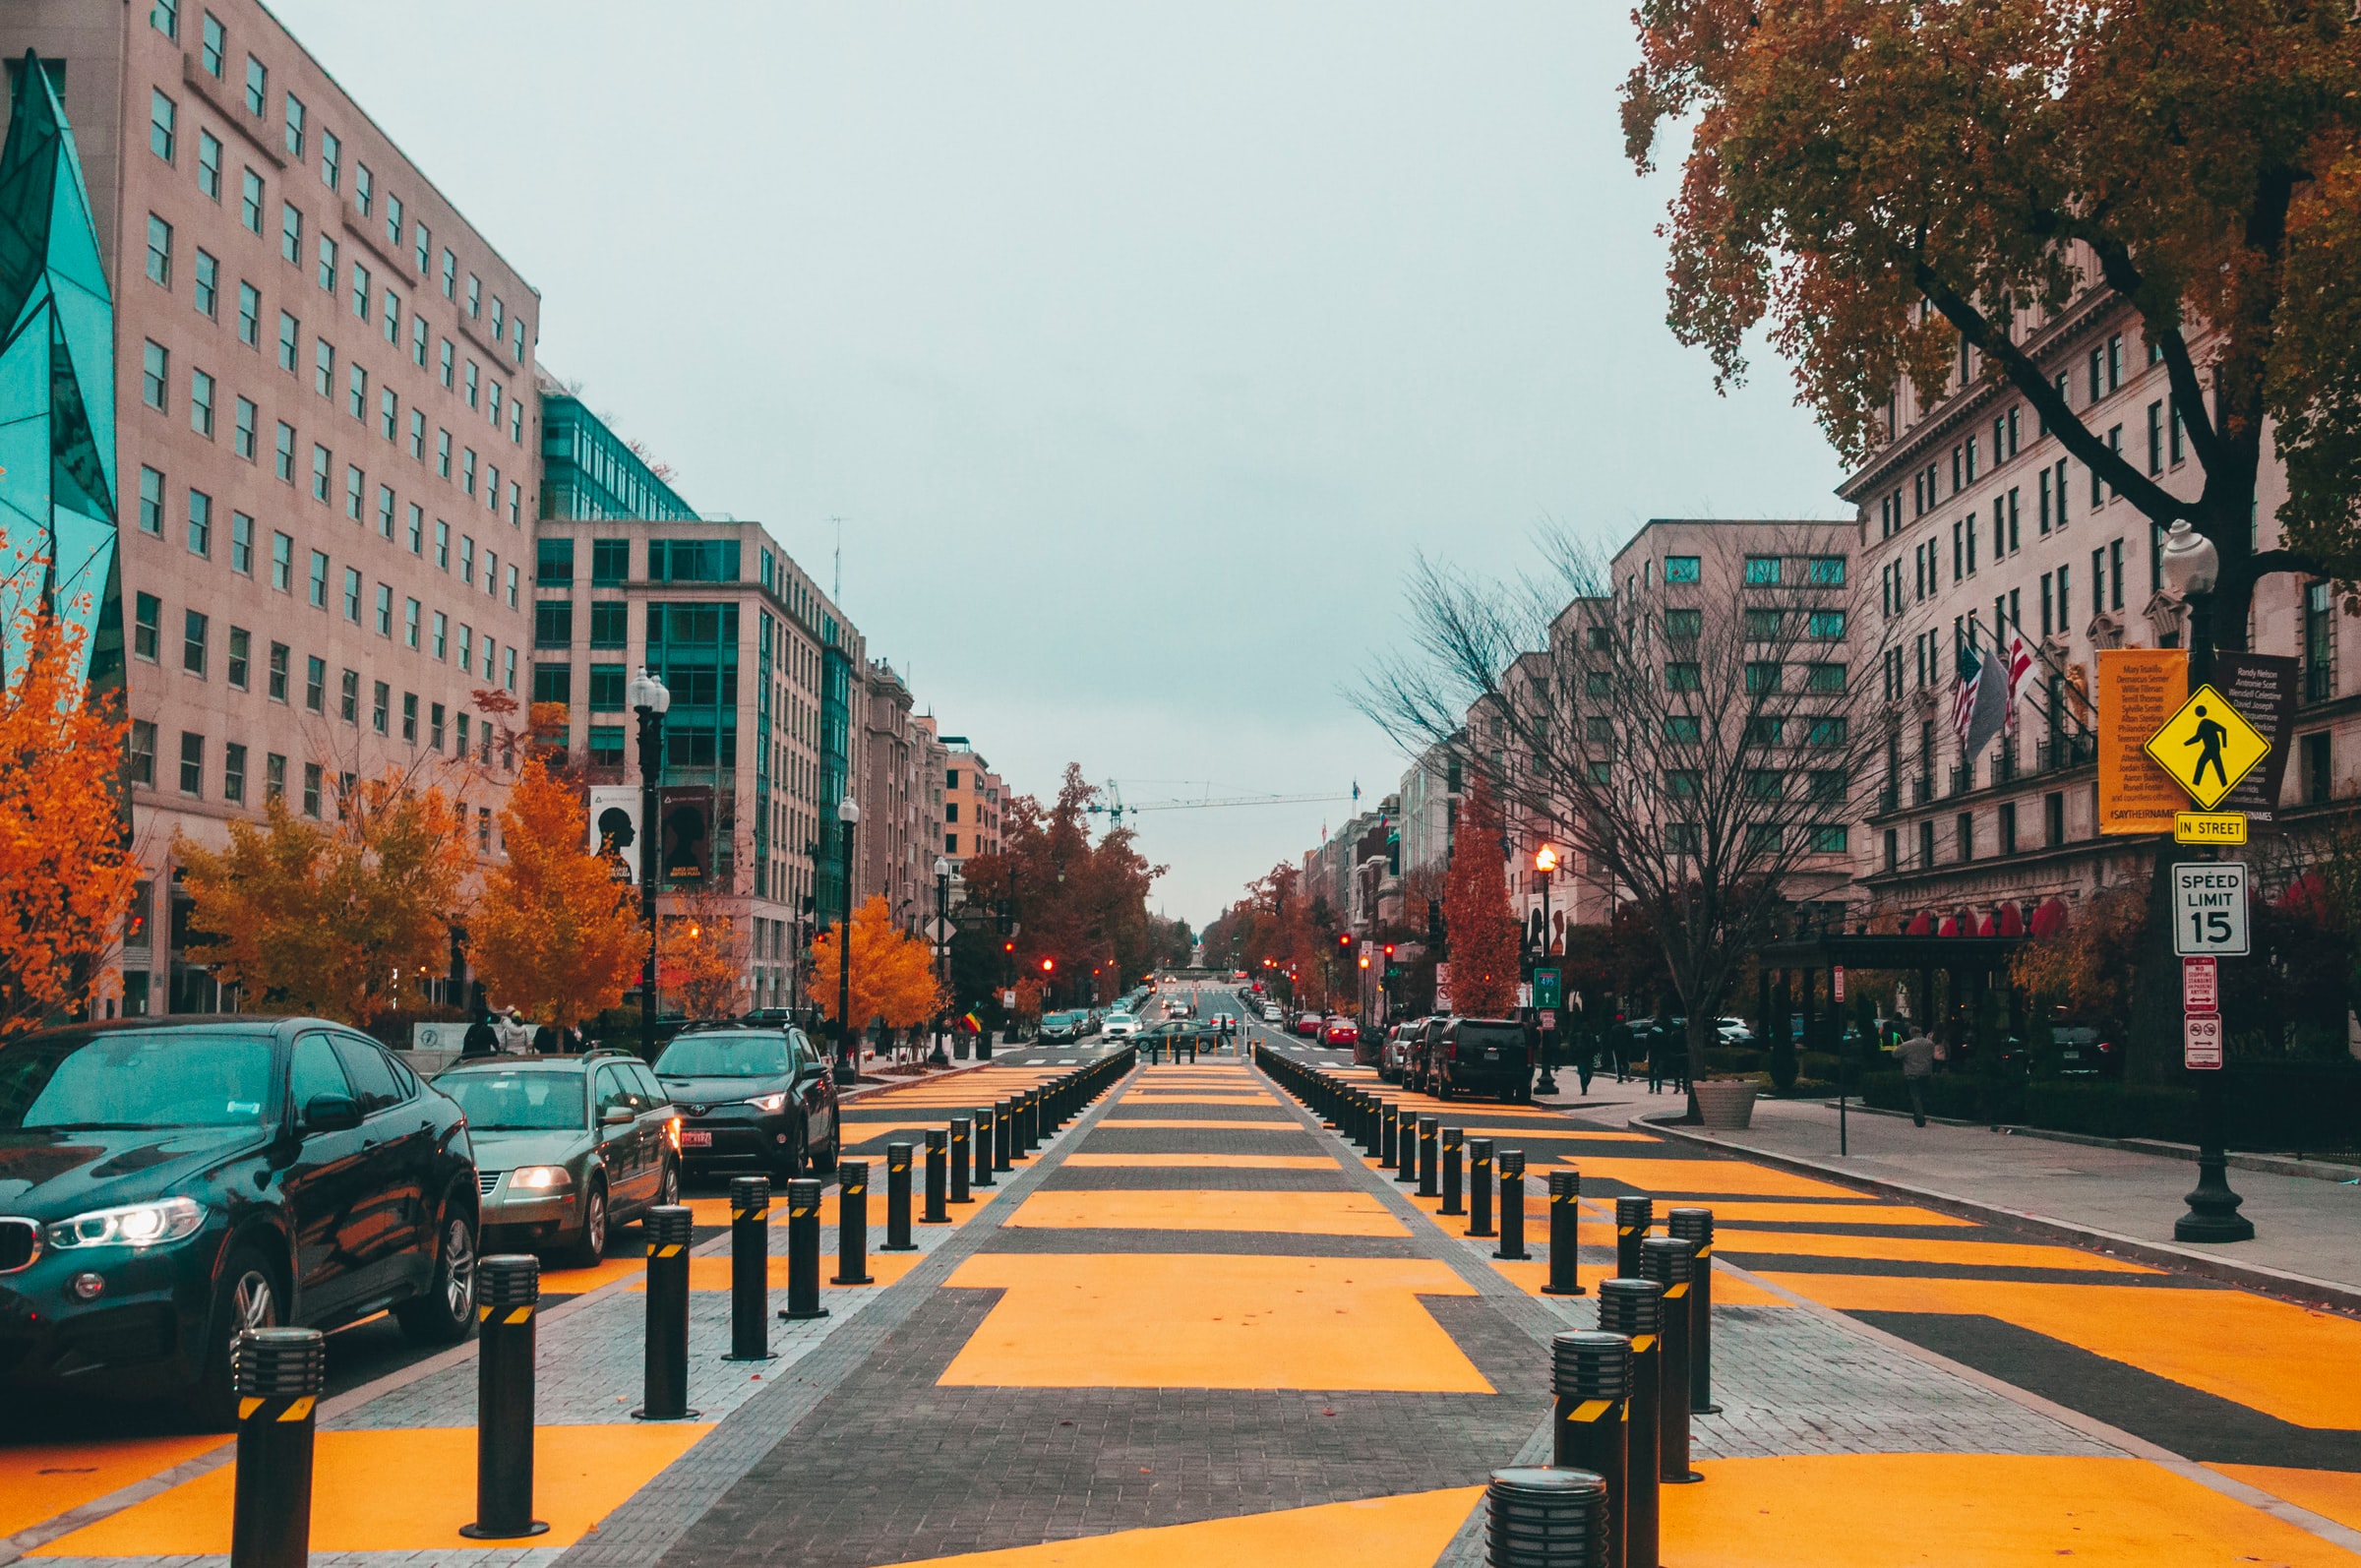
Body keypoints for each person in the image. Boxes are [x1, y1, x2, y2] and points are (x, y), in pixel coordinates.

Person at [1897, 1027, 1938, 1126]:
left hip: (1912, 1072)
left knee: (1915, 1095)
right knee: (1923, 1094)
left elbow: (1895, 1054)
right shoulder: (1930, 1044)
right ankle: (1922, 1112)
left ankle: (1919, 1116)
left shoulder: (1907, 1045)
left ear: (1911, 1034)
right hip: (1926, 1072)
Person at [1607, 1015, 1633, 1085]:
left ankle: (1620, 1078)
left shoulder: (1614, 1029)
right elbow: (1631, 1038)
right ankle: (1627, 1072)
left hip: (1616, 1048)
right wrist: (1631, 1046)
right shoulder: (1627, 1028)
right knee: (1625, 1061)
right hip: (1626, 1048)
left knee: (1618, 1063)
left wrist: (1611, 1047)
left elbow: (1611, 1039)